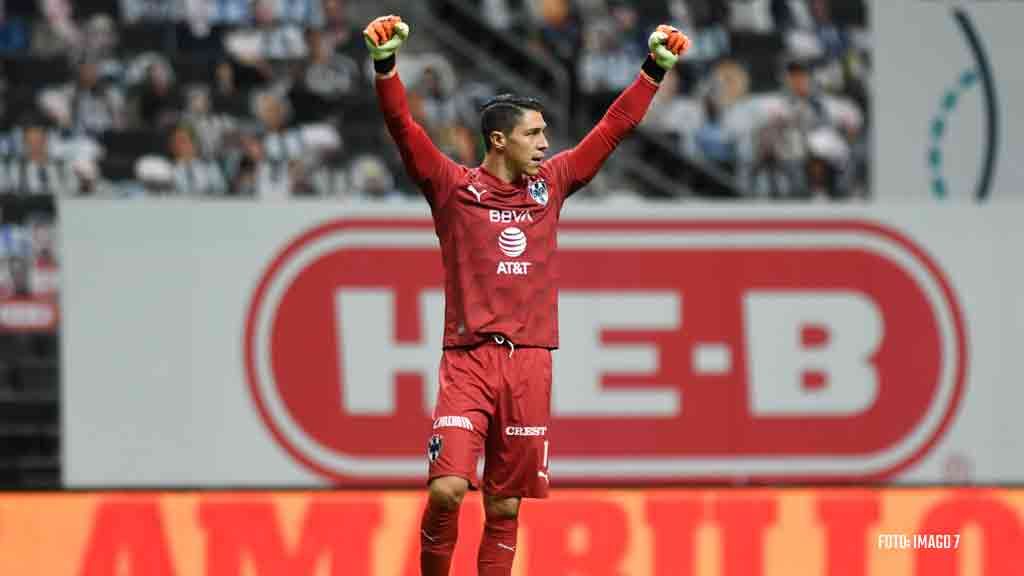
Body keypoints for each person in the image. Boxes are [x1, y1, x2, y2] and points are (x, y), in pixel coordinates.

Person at [364, 14, 690, 575]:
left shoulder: (552, 186)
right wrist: (386, 66)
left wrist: (654, 68)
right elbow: (402, 126)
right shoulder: (451, 187)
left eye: (545, 134)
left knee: (504, 506)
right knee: (445, 492)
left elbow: (611, 129)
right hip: (468, 361)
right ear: (499, 140)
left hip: (531, 364)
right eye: (533, 134)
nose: (545, 143)